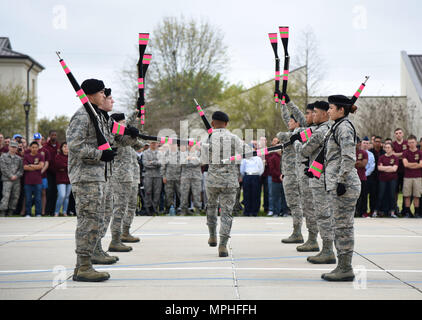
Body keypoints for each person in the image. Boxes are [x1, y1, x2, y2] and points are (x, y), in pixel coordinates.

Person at [67, 79, 116, 282]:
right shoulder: (82, 116)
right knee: (88, 221)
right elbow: (75, 146)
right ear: (91, 94)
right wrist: (100, 155)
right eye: (102, 92)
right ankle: (83, 266)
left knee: (94, 221)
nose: (104, 95)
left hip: (97, 177)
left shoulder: (95, 115)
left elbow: (108, 140)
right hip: (86, 177)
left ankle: (86, 264)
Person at [320, 95, 360, 282]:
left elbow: (349, 156)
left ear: (341, 110)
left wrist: (342, 181)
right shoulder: (337, 126)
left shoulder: (343, 127)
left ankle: (345, 268)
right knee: (339, 225)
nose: (328, 111)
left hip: (344, 185)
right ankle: (342, 265)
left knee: (343, 226)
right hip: (337, 183)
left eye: (331, 108)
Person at [201, 111, 252, 257]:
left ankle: (212, 235)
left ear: (212, 123)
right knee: (227, 213)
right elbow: (248, 153)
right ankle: (223, 245)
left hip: (212, 180)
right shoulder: (233, 137)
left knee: (211, 207)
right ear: (227, 123)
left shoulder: (207, 138)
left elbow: (203, 160)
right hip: (229, 181)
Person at [293, 100, 336, 264]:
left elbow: (304, 151)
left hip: (320, 178)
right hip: (319, 176)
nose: (313, 114)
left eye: (316, 112)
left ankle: (327, 250)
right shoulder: (320, 129)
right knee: (318, 212)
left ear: (325, 114)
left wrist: (296, 142)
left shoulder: (320, 132)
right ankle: (320, 244)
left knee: (322, 214)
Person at [276, 93, 305, 244]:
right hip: (288, 173)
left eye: (292, 121)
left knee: (295, 203)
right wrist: (282, 104)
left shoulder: (299, 133)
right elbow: (286, 117)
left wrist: (289, 103)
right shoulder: (293, 131)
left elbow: (282, 135)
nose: (288, 122)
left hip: (294, 174)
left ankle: (297, 231)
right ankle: (297, 230)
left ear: (298, 123)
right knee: (292, 203)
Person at [375, 142, 399, 218]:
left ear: (392, 148)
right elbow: (379, 168)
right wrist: (389, 167)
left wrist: (384, 167)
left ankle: (392, 212)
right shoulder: (381, 157)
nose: (387, 149)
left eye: (389, 147)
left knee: (392, 195)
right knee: (381, 195)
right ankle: (376, 211)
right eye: (386, 147)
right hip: (383, 179)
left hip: (392, 179)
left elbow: (394, 169)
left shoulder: (395, 158)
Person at [240, 143, 264, 216]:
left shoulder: (258, 158)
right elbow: (242, 169)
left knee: (256, 194)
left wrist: (256, 175)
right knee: (246, 194)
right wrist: (246, 175)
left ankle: (255, 211)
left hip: (256, 176)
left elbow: (261, 169)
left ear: (255, 149)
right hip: (247, 176)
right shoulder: (245, 159)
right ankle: (247, 211)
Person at [0, 141, 23, 216]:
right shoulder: (3, 156)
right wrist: (10, 176)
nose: (13, 148)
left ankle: (11, 211)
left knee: (15, 196)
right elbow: (3, 168)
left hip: (16, 180)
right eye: (12, 147)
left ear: (16, 148)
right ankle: (3, 211)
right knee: (6, 196)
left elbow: (21, 170)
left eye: (15, 147)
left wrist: (16, 176)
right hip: (7, 180)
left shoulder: (19, 158)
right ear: (9, 147)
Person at [402, 135, 422, 218]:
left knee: (417, 195)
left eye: (413, 142)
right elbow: (405, 164)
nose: (411, 144)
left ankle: (416, 212)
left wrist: (412, 164)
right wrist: (415, 163)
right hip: (407, 177)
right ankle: (407, 212)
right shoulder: (405, 152)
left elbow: (421, 165)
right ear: (407, 143)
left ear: (416, 142)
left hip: (418, 177)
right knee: (407, 195)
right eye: (409, 142)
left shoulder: (420, 153)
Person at [23, 141, 45, 217]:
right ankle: (28, 213)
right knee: (28, 198)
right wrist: (35, 167)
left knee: (38, 198)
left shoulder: (41, 156)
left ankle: (38, 213)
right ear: (30, 148)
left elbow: (41, 166)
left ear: (38, 148)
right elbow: (24, 167)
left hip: (38, 181)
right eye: (33, 147)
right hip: (28, 181)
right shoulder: (26, 156)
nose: (34, 149)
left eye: (36, 147)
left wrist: (30, 165)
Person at [180, 144, 202, 215]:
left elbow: (201, 162)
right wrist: (187, 159)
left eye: (192, 145)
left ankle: (198, 209)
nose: (190, 146)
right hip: (185, 177)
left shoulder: (198, 153)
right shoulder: (183, 154)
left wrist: (192, 159)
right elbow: (181, 162)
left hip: (196, 176)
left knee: (197, 193)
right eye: (189, 145)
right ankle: (183, 209)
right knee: (184, 193)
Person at [161, 142, 181, 214]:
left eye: (174, 144)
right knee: (168, 194)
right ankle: (168, 208)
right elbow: (163, 166)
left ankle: (179, 208)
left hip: (179, 177)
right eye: (171, 145)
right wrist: (164, 176)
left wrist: (182, 176)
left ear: (177, 145)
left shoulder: (180, 154)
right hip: (169, 177)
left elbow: (183, 167)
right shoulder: (166, 154)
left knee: (180, 193)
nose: (173, 146)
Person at [142, 141, 162, 215]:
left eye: (155, 143)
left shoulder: (160, 153)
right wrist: (155, 163)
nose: (153, 144)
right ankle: (148, 209)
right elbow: (145, 164)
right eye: (152, 143)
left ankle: (155, 209)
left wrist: (151, 162)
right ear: (150, 144)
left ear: (157, 144)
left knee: (157, 193)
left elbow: (161, 163)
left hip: (158, 175)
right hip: (148, 175)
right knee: (148, 192)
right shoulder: (145, 153)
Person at [368, 136, 385, 216]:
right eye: (376, 141)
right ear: (373, 142)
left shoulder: (383, 152)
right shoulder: (370, 152)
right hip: (372, 176)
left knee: (381, 194)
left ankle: (380, 210)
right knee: (372, 194)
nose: (377, 143)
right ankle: (372, 210)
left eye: (379, 141)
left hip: (382, 176)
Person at [33, 133, 50, 216]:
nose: (37, 141)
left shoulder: (45, 150)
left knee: (43, 193)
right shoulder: (31, 150)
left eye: (38, 139)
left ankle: (43, 211)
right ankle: (35, 211)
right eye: (35, 139)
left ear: (41, 140)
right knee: (33, 193)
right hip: (32, 176)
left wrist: (41, 171)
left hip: (42, 176)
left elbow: (47, 163)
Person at [44, 130, 60, 216]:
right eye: (52, 135)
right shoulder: (45, 146)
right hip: (48, 172)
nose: (54, 136)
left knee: (55, 192)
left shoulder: (58, 146)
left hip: (57, 173)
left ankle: (53, 211)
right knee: (49, 191)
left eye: (55, 135)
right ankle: (47, 210)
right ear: (49, 136)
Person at [392, 128, 408, 215]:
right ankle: (395, 209)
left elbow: (407, 153)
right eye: (396, 133)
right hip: (396, 172)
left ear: (403, 134)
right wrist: (402, 154)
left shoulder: (406, 143)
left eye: (400, 133)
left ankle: (405, 210)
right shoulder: (393, 144)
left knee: (405, 192)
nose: (398, 134)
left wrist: (397, 155)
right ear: (395, 135)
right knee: (395, 192)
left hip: (406, 172)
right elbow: (393, 155)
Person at [54, 142, 71, 217]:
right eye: (64, 146)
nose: (66, 148)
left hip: (69, 179)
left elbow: (72, 166)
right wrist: (66, 166)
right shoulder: (58, 156)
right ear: (61, 148)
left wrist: (64, 167)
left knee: (67, 196)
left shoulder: (71, 157)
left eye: (67, 146)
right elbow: (58, 166)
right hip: (60, 179)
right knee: (62, 195)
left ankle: (64, 212)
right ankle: (56, 212)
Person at [355, 138, 369, 217]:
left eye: (357, 143)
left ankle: (363, 212)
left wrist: (355, 163)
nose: (356, 144)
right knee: (354, 196)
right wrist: (357, 162)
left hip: (362, 177)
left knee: (363, 196)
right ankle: (355, 212)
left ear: (360, 143)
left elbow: (363, 164)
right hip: (352, 179)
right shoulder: (350, 152)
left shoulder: (364, 153)